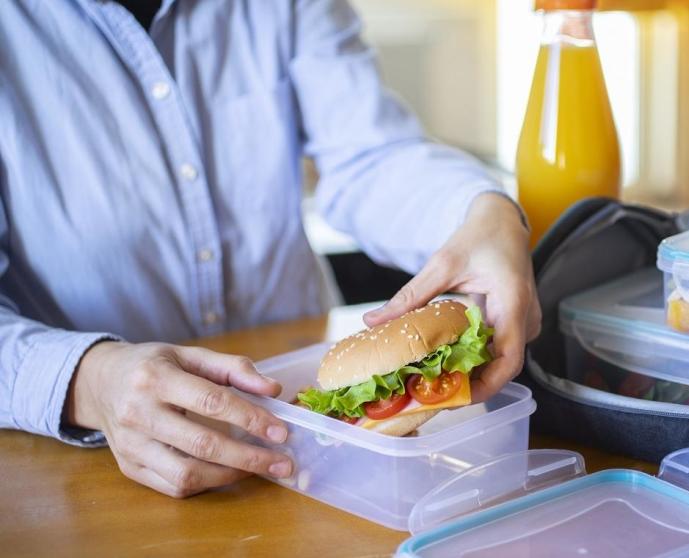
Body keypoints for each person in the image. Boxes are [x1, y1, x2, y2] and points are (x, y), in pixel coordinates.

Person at [0, 0, 541, 498]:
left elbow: (368, 155)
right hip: (90, 468)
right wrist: (89, 381)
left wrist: (483, 211)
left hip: (332, 456)